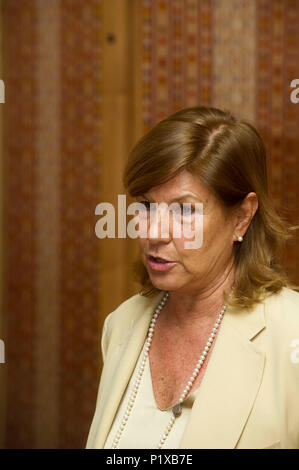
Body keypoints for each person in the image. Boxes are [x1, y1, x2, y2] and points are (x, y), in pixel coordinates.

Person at [86, 106, 299, 449]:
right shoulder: (121, 325)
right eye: (145, 206)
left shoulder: (292, 334)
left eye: (184, 210)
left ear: (242, 217)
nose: (154, 232)